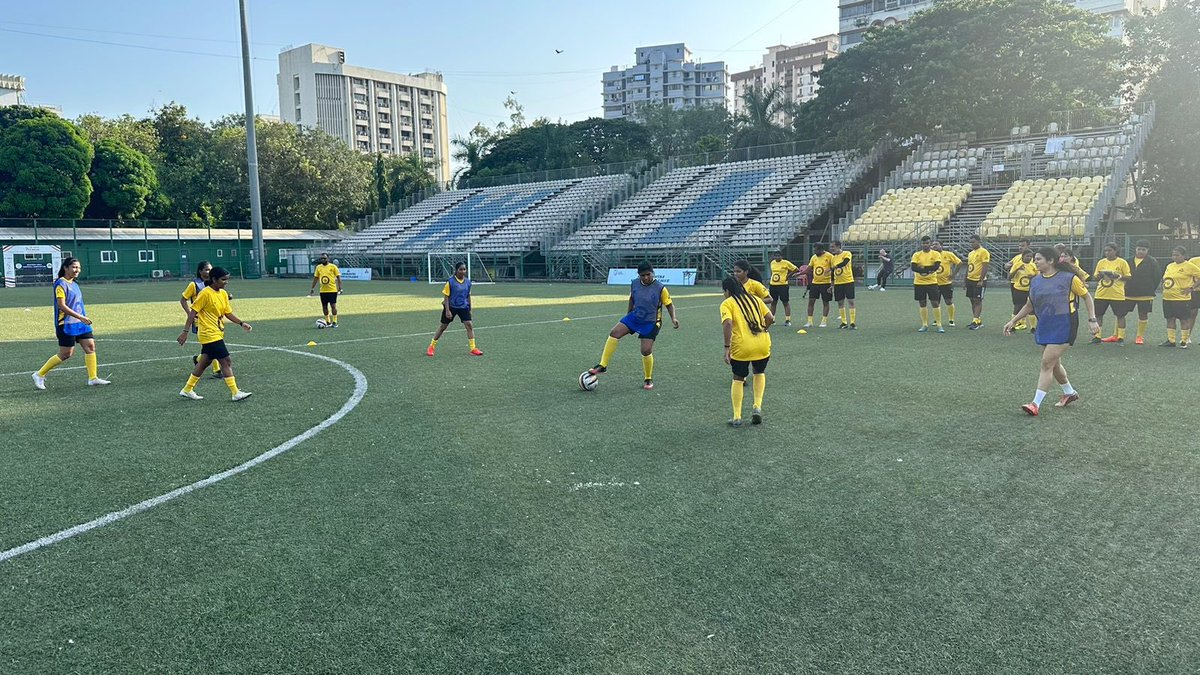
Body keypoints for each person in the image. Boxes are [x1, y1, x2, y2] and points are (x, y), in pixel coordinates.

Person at [1004, 247, 1099, 416]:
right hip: (1045, 323)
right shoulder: (1036, 281)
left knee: (1047, 363)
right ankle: (1069, 392)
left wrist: (1092, 319)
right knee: (1054, 363)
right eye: (1035, 259)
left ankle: (1035, 404)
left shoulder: (1070, 279)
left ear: (1051, 261)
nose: (1035, 262)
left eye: (1038, 259)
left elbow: (1087, 296)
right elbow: (1029, 305)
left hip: (1065, 324)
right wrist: (1013, 321)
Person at [589, 262, 679, 390]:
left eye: (648, 274)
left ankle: (648, 378)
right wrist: (628, 315)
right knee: (614, 332)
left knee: (646, 350)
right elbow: (632, 298)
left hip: (651, 321)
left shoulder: (660, 288)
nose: (646, 278)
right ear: (639, 275)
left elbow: (669, 304)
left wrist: (673, 318)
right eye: (643, 275)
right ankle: (603, 365)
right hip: (635, 317)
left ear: (652, 273)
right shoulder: (635, 283)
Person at [32, 257, 111, 390]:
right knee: (66, 354)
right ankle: (39, 374)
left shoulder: (74, 284)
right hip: (66, 324)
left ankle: (93, 378)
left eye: (78, 268)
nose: (77, 270)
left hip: (80, 323)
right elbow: (61, 306)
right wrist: (80, 317)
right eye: (74, 267)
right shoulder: (60, 283)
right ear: (66, 268)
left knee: (90, 347)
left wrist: (82, 318)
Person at [177, 266, 253, 401]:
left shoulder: (223, 294)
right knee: (226, 361)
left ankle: (187, 389)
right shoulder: (205, 293)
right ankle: (235, 392)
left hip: (217, 332)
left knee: (204, 362)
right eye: (223, 279)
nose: (226, 282)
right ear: (214, 279)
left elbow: (227, 312)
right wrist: (185, 332)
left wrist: (241, 323)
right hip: (208, 333)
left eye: (227, 279)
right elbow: (193, 313)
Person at [720, 276, 774, 427]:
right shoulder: (755, 299)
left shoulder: (727, 303)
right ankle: (757, 407)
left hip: (742, 346)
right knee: (759, 372)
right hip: (762, 343)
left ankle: (737, 416)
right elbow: (770, 317)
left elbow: (728, 323)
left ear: (727, 291)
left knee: (738, 377)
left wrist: (726, 347)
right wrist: (764, 329)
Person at [427, 261, 483, 357]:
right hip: (451, 307)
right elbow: (446, 296)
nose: (462, 271)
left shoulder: (468, 282)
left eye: (464, 269)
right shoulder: (450, 282)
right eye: (460, 269)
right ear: (456, 270)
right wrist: (447, 310)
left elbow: (468, 296)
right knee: (443, 327)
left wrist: (470, 308)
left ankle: (473, 348)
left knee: (469, 325)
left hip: (463, 307)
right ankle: (431, 346)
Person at [181, 260, 222, 378]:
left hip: (213, 319)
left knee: (210, 346)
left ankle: (199, 359)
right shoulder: (194, 285)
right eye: (206, 269)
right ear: (200, 271)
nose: (209, 271)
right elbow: (183, 299)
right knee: (213, 344)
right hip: (200, 320)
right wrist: (190, 314)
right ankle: (217, 370)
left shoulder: (213, 283)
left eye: (210, 269)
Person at [1092, 242, 1133, 344]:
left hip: (1117, 294)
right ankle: (1097, 336)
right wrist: (1100, 275)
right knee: (1098, 315)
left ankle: (1120, 337)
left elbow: (1128, 277)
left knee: (1120, 316)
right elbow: (1095, 276)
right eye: (1106, 251)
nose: (1107, 253)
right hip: (1101, 293)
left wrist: (1117, 276)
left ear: (1115, 251)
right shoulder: (1101, 262)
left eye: (1110, 250)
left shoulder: (1122, 262)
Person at [1159, 247, 1200, 348]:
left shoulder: (1189, 266)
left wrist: (1191, 288)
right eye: (1173, 255)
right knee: (1170, 318)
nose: (1175, 257)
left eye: (1177, 255)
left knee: (1184, 319)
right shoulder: (1170, 265)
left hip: (1182, 298)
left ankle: (1184, 341)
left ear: (1184, 256)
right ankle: (1171, 340)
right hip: (1168, 297)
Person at [1125, 239, 1160, 345]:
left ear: (1147, 250)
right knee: (1121, 313)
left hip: (1146, 294)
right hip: (1128, 293)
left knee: (1143, 314)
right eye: (1139, 249)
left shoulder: (1152, 261)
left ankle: (1139, 337)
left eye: (1143, 249)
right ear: (1135, 249)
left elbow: (1157, 277)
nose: (1140, 251)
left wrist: (1150, 288)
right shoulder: (1128, 260)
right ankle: (1118, 334)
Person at [910, 236, 944, 332]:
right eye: (924, 243)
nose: (925, 245)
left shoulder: (936, 254)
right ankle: (924, 324)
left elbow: (936, 266)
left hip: (932, 282)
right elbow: (913, 267)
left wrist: (922, 268)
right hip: (919, 283)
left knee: (935, 302)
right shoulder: (916, 255)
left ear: (930, 244)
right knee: (922, 303)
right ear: (921, 244)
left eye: (927, 243)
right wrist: (927, 269)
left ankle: (939, 324)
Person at [931, 240, 962, 327]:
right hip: (934, 283)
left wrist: (953, 274)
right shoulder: (931, 255)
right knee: (935, 302)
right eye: (933, 245)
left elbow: (959, 263)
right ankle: (937, 319)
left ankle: (951, 319)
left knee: (948, 301)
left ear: (941, 245)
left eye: (936, 244)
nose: (934, 246)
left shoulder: (948, 254)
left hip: (946, 283)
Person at [307, 253, 342, 328]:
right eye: (322, 258)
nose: (323, 260)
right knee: (324, 307)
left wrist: (340, 287)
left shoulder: (333, 267)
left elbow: (338, 277)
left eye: (324, 258)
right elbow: (316, 278)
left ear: (328, 259)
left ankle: (335, 321)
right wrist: (312, 288)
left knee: (333, 306)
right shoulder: (318, 267)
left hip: (332, 290)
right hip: (323, 291)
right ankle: (328, 321)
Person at [1007, 248, 1037, 333]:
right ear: (1023, 256)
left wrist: (1033, 277)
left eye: (1031, 256)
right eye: (1027, 256)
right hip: (1018, 289)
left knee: (1031, 309)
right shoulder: (1017, 264)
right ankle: (1012, 326)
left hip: (1029, 290)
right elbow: (1009, 277)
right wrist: (1017, 269)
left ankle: (1033, 328)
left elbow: (1039, 277)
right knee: (1017, 307)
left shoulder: (1033, 266)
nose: (1029, 258)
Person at [805, 243, 834, 328]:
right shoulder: (813, 257)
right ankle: (809, 321)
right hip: (815, 283)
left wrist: (832, 284)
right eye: (814, 250)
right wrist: (800, 273)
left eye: (816, 250)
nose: (814, 251)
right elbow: (809, 268)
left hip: (826, 283)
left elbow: (833, 269)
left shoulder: (829, 256)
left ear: (821, 249)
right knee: (811, 301)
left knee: (825, 302)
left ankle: (823, 321)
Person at [829, 240, 857, 328]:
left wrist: (834, 267)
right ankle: (844, 322)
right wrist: (832, 285)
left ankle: (852, 323)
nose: (831, 249)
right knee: (840, 303)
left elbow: (845, 262)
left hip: (848, 281)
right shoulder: (833, 258)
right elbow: (832, 273)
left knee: (851, 301)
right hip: (838, 283)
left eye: (833, 247)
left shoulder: (847, 253)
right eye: (831, 247)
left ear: (838, 246)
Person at [766, 251, 798, 326]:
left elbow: (796, 269)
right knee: (773, 302)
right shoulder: (772, 263)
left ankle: (787, 319)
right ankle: (772, 319)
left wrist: (788, 276)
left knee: (785, 302)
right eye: (775, 256)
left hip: (783, 285)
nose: (777, 257)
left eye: (779, 256)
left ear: (781, 256)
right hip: (773, 285)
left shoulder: (786, 263)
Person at [965, 234, 990, 330]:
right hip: (970, 280)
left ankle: (975, 321)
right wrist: (965, 280)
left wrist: (981, 280)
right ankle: (976, 320)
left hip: (978, 280)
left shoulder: (984, 252)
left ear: (979, 241)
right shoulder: (971, 253)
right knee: (972, 299)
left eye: (973, 242)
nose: (971, 244)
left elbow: (985, 266)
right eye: (970, 242)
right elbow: (969, 266)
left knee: (977, 300)